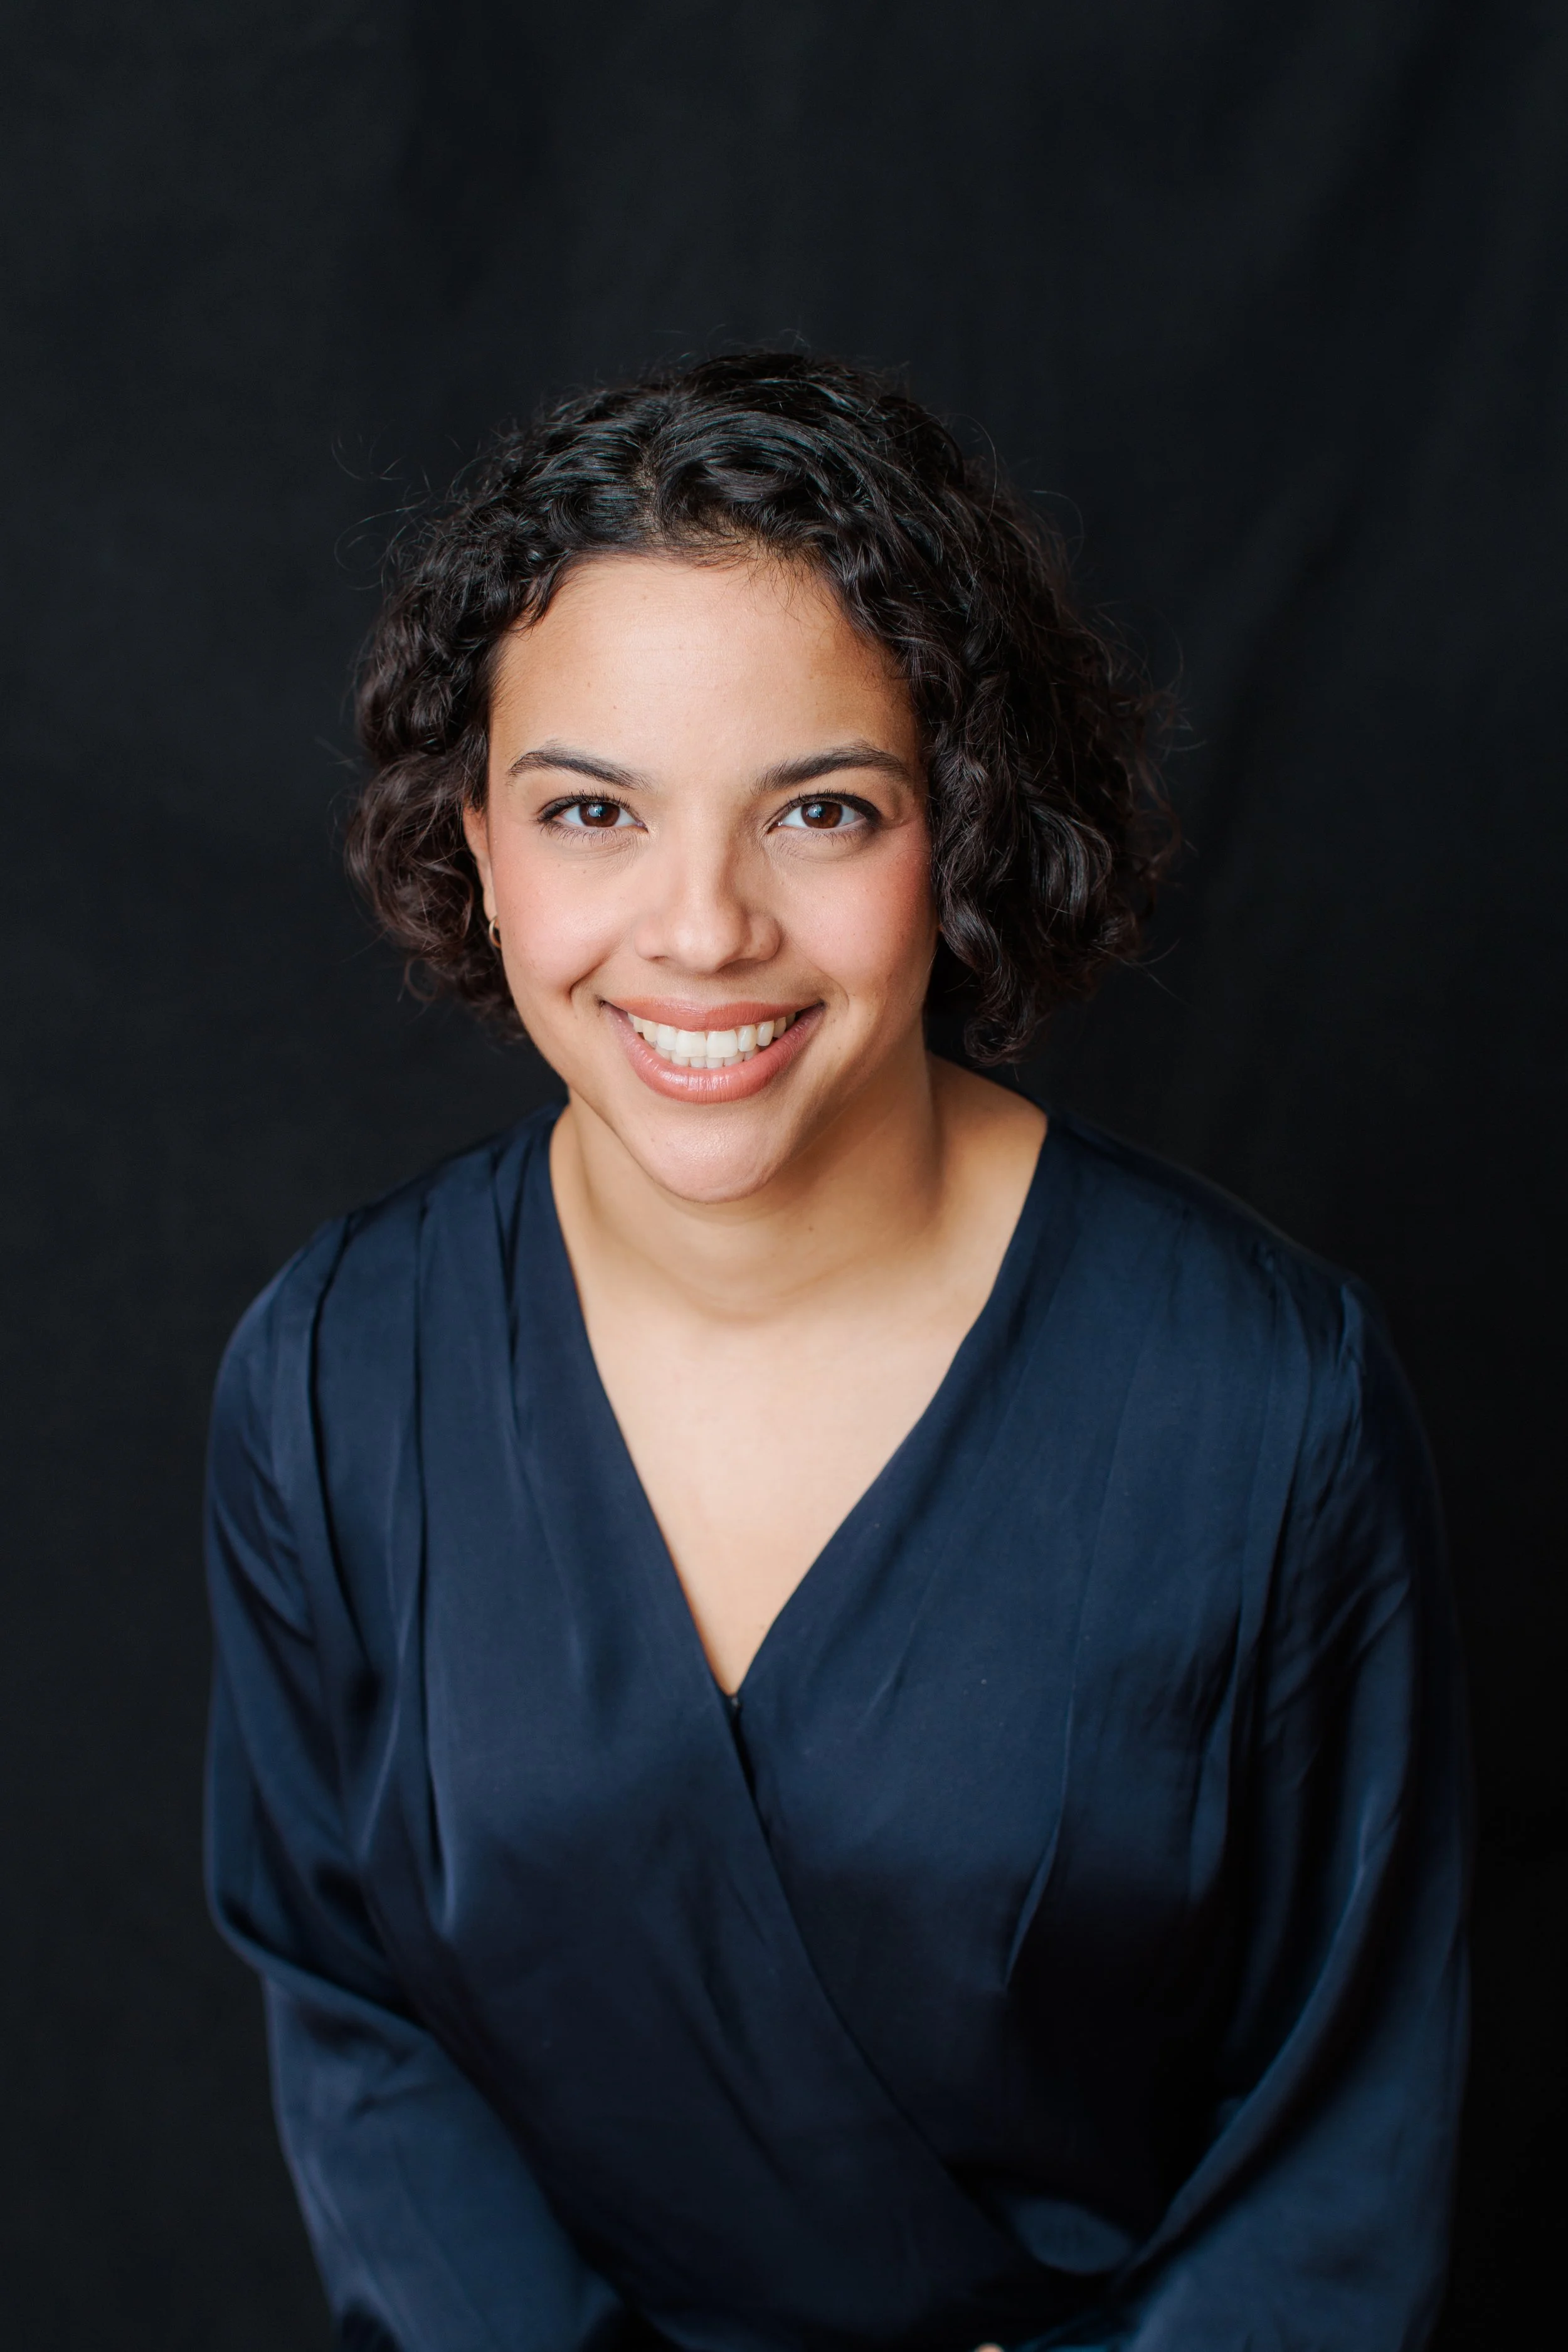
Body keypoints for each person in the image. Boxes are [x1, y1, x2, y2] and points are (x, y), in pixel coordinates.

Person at [204, 352, 1469, 2352]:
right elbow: (355, 2018)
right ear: (476, 835)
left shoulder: (1260, 1402)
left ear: (955, 825)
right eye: (593, 809)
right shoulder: (336, 1378)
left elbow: (1335, 2134)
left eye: (818, 807)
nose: (700, 929)